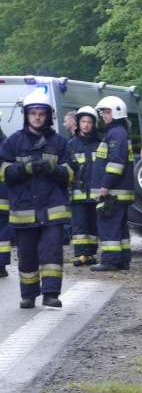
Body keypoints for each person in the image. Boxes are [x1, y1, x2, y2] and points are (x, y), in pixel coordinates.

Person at [0, 91, 73, 308]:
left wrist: (54, 170)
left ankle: (51, 294)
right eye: (33, 113)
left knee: (51, 252)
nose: (38, 117)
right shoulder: (13, 142)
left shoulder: (59, 142)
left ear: (48, 116)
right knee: (27, 255)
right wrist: (24, 168)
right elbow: (3, 171)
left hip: (52, 208)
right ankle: (29, 294)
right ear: (27, 115)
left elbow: (71, 173)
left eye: (42, 113)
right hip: (24, 208)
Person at [90, 96, 134, 272]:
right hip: (119, 191)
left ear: (116, 112)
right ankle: (122, 259)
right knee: (119, 227)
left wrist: (105, 185)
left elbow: (116, 163)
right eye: (103, 112)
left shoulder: (116, 134)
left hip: (113, 192)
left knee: (108, 225)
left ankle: (110, 260)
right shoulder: (119, 132)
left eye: (107, 112)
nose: (103, 116)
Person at [67, 106, 101, 266]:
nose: (86, 125)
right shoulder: (71, 145)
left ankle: (91, 253)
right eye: (83, 121)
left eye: (89, 122)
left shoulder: (100, 145)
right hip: (77, 194)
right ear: (78, 123)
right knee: (79, 225)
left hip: (95, 194)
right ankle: (81, 254)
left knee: (93, 226)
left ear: (94, 124)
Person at [0, 122, 9, 278]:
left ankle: (1, 265)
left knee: (2, 232)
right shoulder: (6, 142)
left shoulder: (6, 144)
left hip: (2, 195)